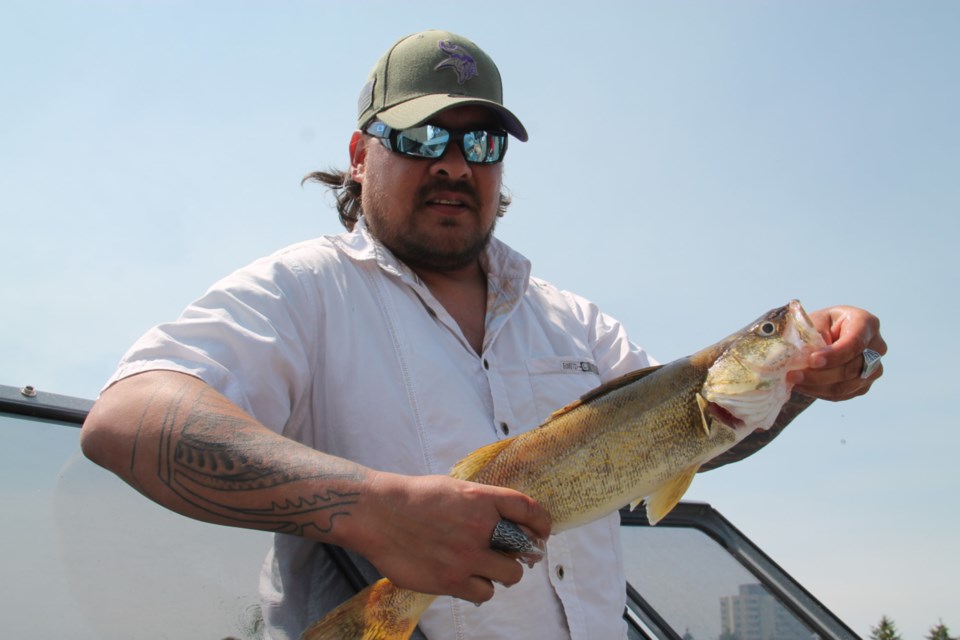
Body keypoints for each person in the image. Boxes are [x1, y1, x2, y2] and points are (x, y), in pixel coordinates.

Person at [80, 29, 886, 640]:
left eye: (482, 143)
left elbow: (704, 435)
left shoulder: (575, 321)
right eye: (423, 139)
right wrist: (375, 508)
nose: (456, 165)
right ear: (361, 156)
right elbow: (126, 420)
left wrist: (801, 379)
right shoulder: (302, 291)